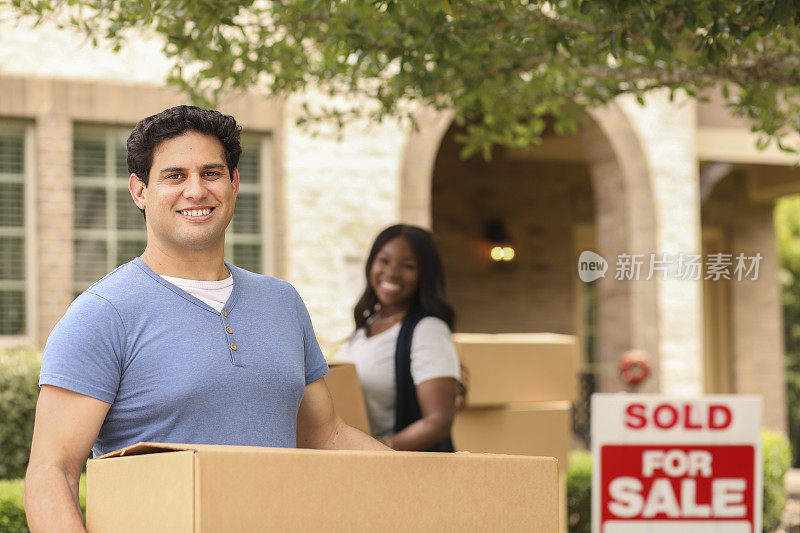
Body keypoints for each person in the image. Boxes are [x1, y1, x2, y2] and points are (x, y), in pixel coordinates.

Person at [24, 105, 389, 532]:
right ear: (140, 191)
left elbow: (326, 436)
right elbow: (52, 474)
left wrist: (432, 474)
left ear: (233, 183)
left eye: (211, 173)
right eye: (174, 176)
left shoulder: (283, 301)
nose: (196, 190)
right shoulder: (103, 314)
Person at [336, 224, 462, 452]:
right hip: (356, 463)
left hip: (395, 470)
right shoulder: (366, 326)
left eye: (408, 266)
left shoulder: (427, 329)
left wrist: (377, 449)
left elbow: (438, 422)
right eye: (384, 261)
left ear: (425, 275)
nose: (392, 272)